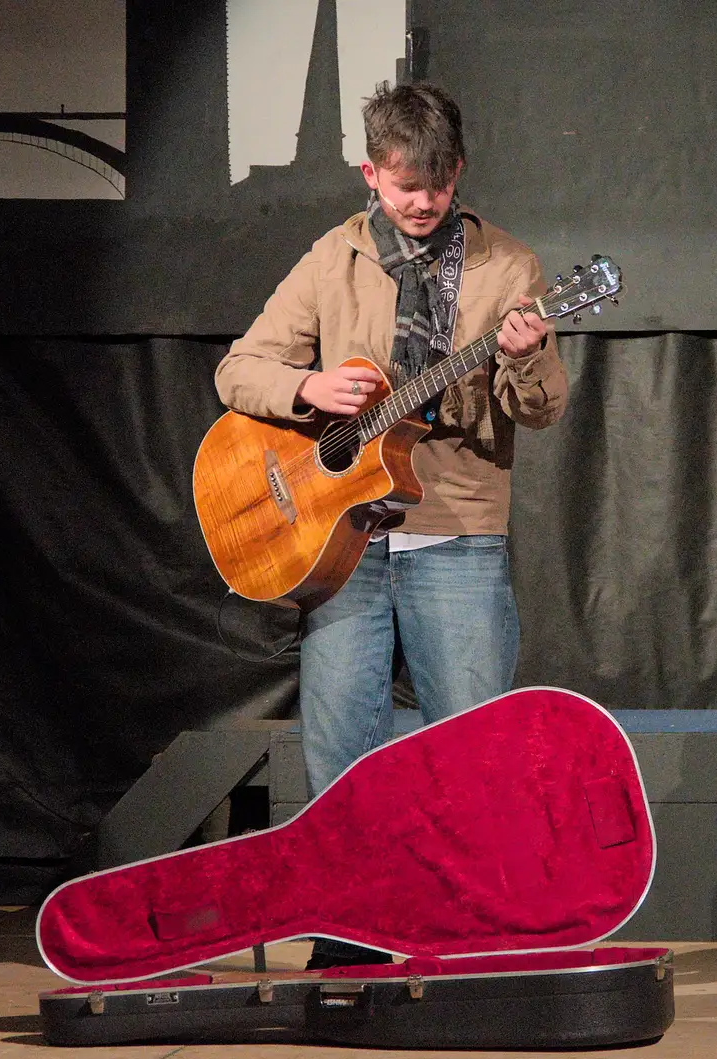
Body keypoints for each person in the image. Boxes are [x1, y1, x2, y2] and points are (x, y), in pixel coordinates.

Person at [213, 81, 567, 965]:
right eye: (407, 184)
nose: (423, 202)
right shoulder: (331, 259)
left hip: (457, 530)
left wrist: (525, 361)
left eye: (439, 185)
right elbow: (238, 370)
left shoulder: (507, 267)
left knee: (472, 749)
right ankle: (352, 933)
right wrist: (307, 388)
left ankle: (479, 931)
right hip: (344, 544)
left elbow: (543, 408)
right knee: (344, 749)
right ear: (371, 172)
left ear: (459, 174)